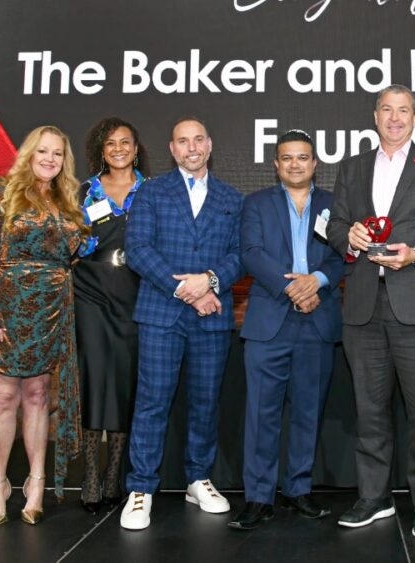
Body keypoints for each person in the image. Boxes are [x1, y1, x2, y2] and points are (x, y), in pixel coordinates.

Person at [327, 84, 415, 540]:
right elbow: (332, 223)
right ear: (375, 117)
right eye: (386, 110)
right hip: (364, 309)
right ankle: (373, 498)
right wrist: (345, 236)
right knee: (369, 411)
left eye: (403, 110)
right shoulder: (352, 168)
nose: (394, 117)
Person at [119, 117, 243, 531]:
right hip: (161, 314)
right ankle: (141, 488)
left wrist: (208, 281)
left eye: (198, 140)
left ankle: (197, 478)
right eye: (182, 141)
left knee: (205, 402)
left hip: (211, 317)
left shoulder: (231, 197)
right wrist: (188, 290)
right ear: (172, 149)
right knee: (153, 401)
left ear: (209, 145)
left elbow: (240, 255)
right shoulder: (151, 193)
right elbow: (137, 250)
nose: (192, 148)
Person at [0, 125, 86, 528]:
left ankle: (35, 486)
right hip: (8, 306)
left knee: (37, 395)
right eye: (43, 152)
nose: (50, 159)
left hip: (50, 310)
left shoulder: (68, 199)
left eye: (57, 153)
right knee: (3, 398)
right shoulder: (2, 191)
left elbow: (74, 253)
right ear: (29, 154)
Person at [228, 130, 344, 530]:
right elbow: (251, 254)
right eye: (287, 158)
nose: (295, 164)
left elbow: (343, 256)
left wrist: (318, 282)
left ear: (315, 163)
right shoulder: (256, 203)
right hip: (269, 321)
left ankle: (298, 489)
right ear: (276, 165)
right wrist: (293, 288)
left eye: (303, 157)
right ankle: (258, 497)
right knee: (262, 414)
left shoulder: (334, 205)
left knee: (308, 412)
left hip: (318, 319)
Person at [74, 117, 149, 513]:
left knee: (123, 380)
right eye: (110, 144)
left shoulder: (151, 191)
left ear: (136, 149)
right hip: (89, 290)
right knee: (93, 376)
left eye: (125, 142)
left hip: (135, 291)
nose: (118, 148)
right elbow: (69, 239)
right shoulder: (83, 191)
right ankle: (88, 472)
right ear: (100, 151)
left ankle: (113, 472)